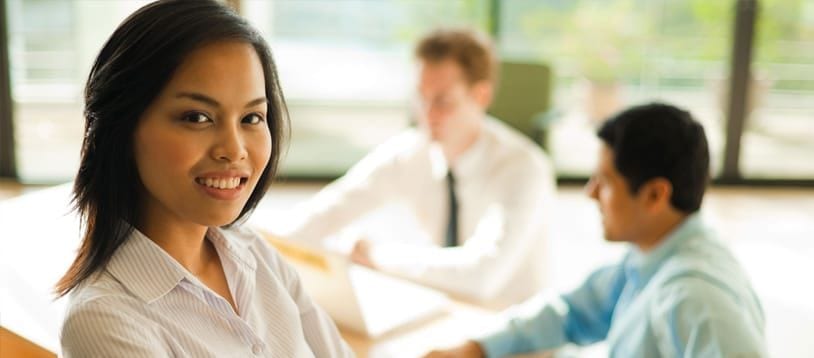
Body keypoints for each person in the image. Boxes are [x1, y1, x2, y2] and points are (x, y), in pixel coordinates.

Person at [55, 1, 352, 356]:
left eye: (252, 118)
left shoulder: (253, 253)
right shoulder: (104, 320)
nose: (234, 149)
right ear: (124, 129)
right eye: (197, 117)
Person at [424, 103, 767, 357]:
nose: (590, 193)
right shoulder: (652, 254)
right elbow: (572, 312)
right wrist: (475, 348)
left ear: (655, 195)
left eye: (604, 182)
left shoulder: (697, 298)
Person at [269, 28, 555, 306]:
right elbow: (323, 213)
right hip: (449, 315)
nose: (428, 114)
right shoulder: (410, 152)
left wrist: (375, 254)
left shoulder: (524, 168)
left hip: (517, 337)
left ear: (481, 96)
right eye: (421, 97)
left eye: (443, 101)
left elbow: (482, 276)